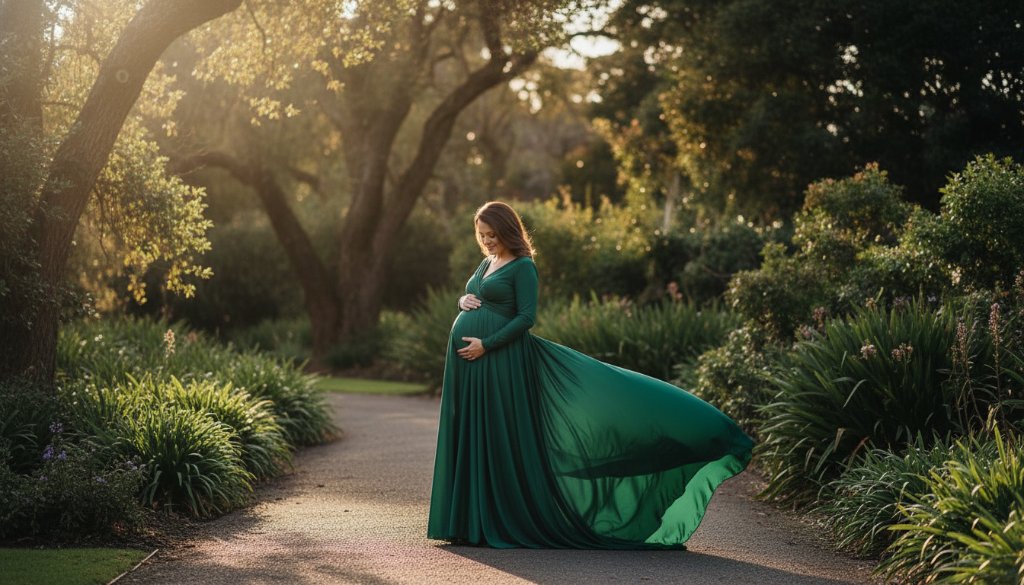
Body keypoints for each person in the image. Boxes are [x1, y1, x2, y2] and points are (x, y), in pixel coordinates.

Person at [427, 201, 754, 549]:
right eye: (482, 235)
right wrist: (463, 301)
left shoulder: (523, 267)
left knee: (496, 436)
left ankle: (494, 520)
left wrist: (487, 344)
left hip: (499, 362)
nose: (487, 241)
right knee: (472, 433)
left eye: (492, 235)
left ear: (508, 231)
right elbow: (479, 294)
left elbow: (526, 318)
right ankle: (468, 520)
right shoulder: (487, 262)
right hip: (470, 366)